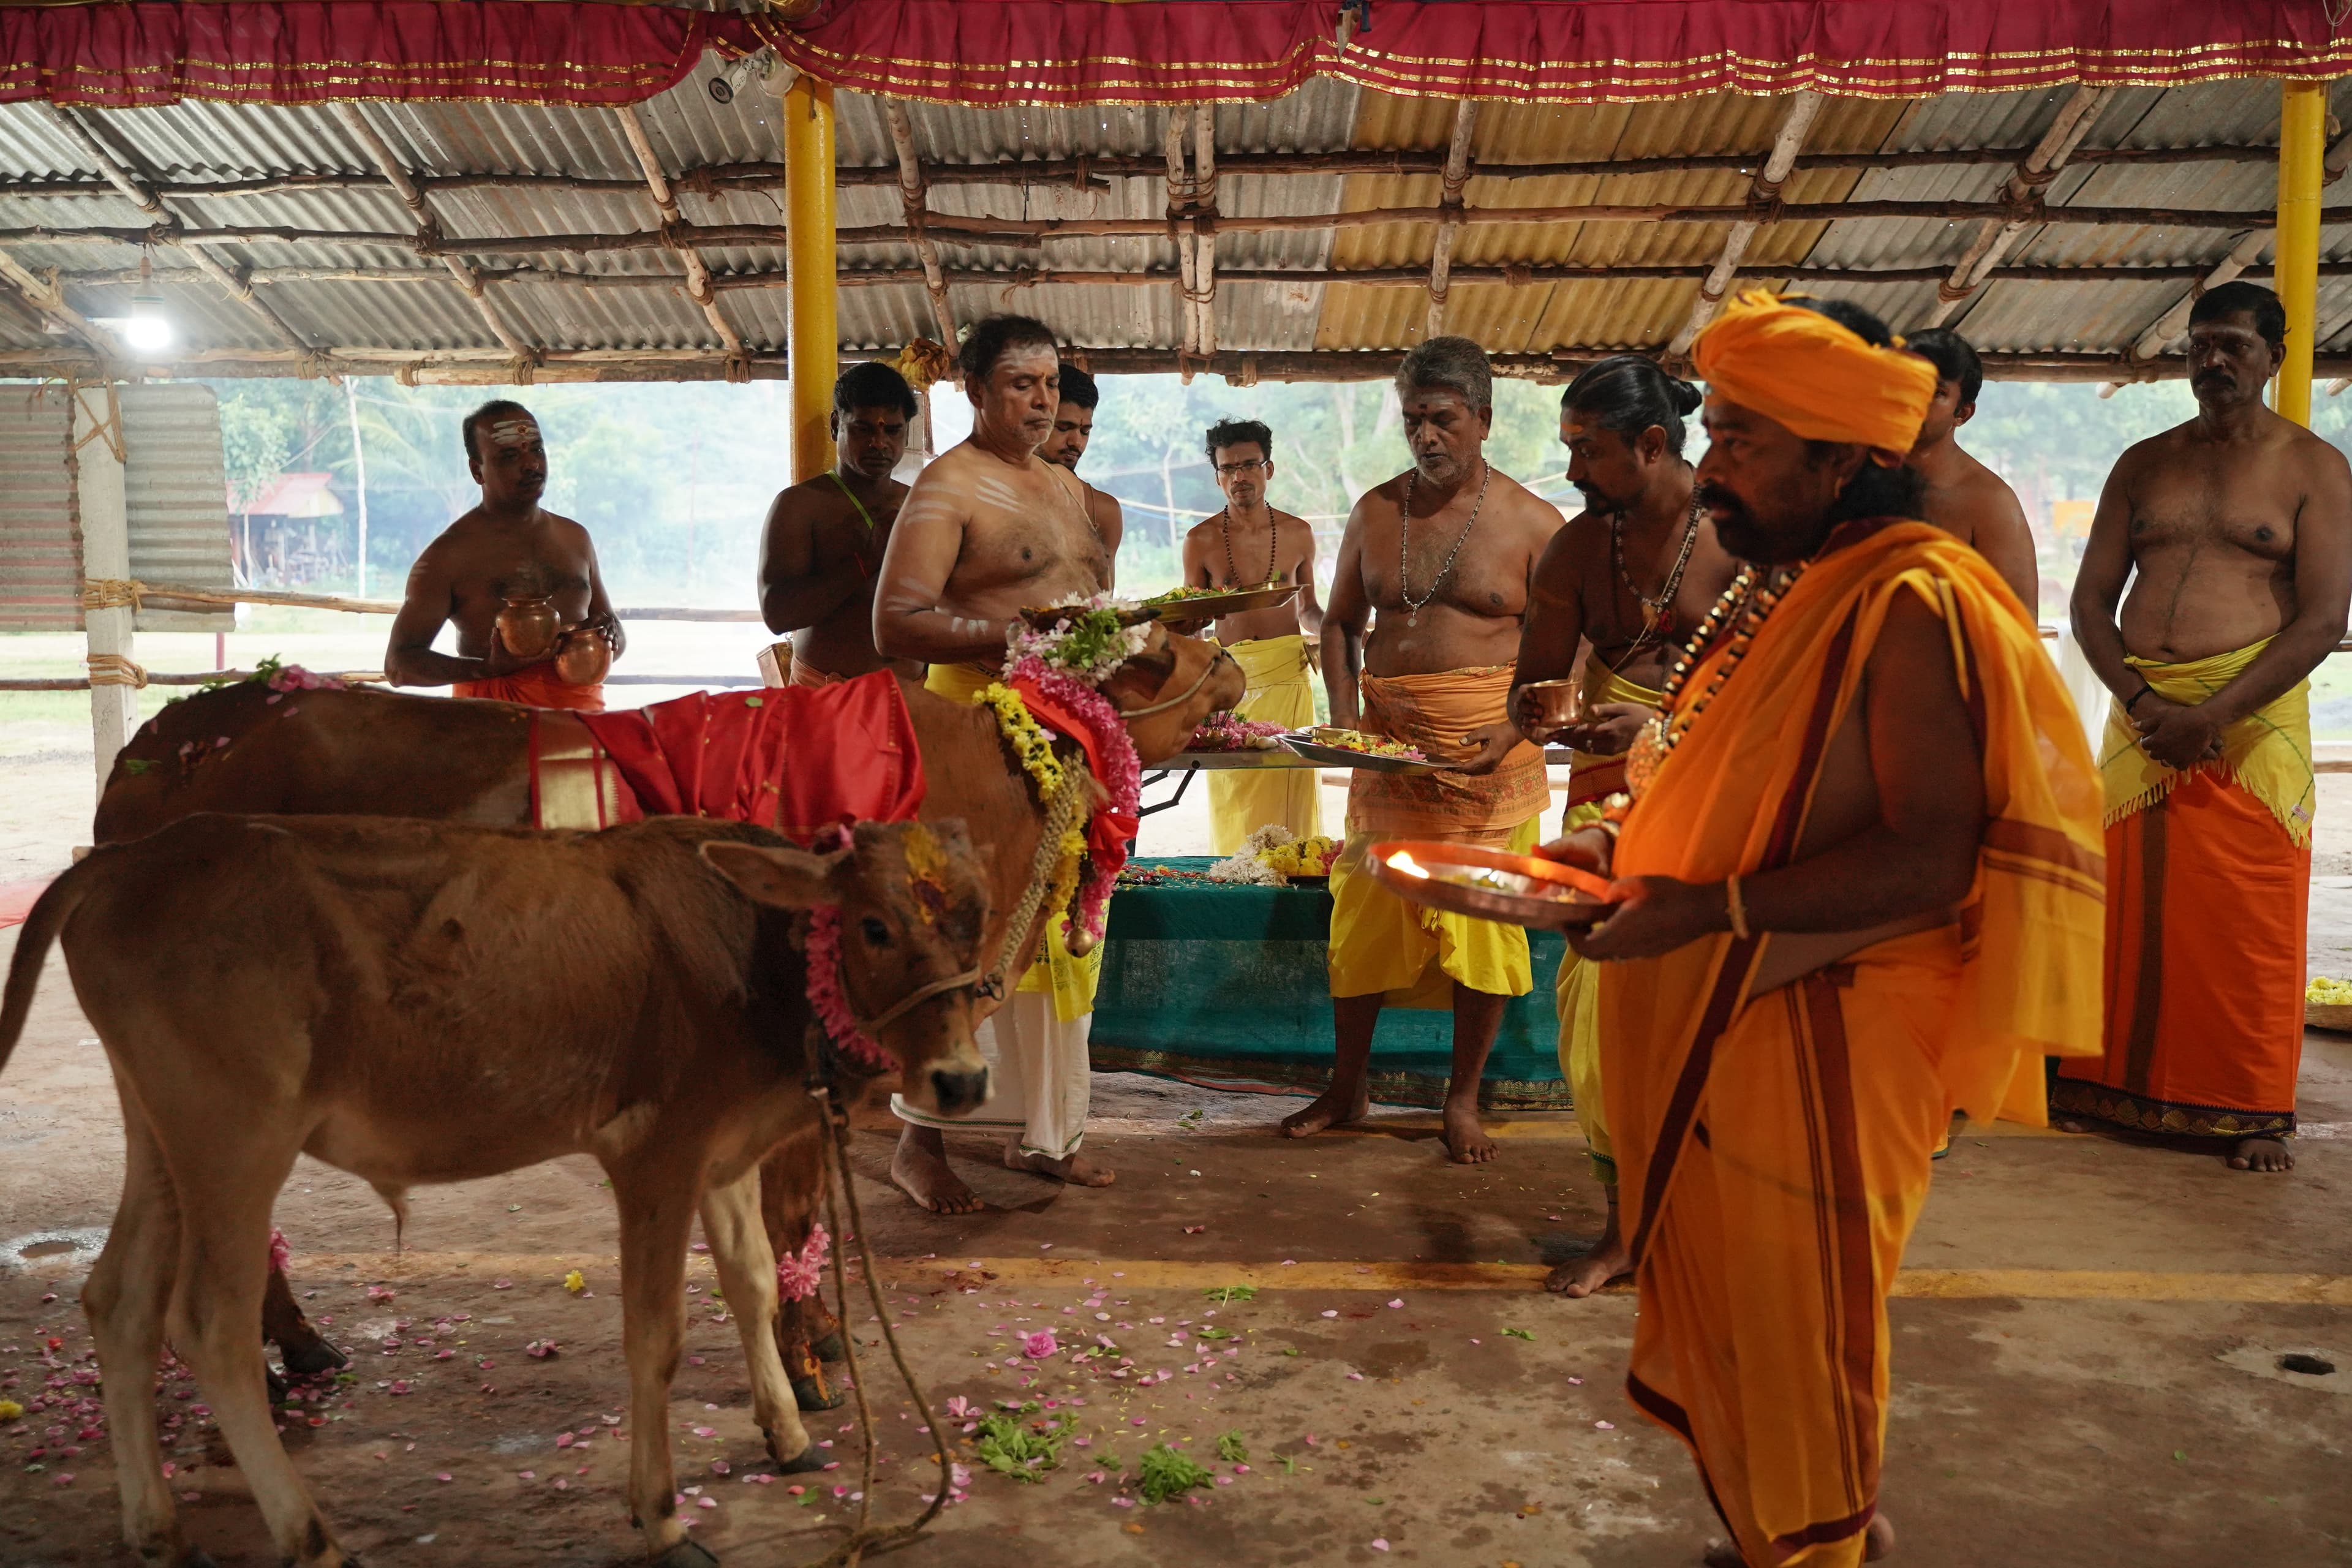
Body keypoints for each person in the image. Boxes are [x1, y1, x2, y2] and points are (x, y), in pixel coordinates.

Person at [1543, 290, 2102, 1568]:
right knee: (1753, 1325)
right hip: (1734, 1002)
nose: (1713, 467)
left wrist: (1706, 907)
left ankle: (1820, 1543)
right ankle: (1789, 1534)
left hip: (1828, 1022)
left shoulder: (1911, 598)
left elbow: (1927, 851)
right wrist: (1620, 845)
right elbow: (1727, 774)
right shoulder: (1791, 584)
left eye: (1741, 443)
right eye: (1717, 434)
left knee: (1805, 1336)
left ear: (1844, 460)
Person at [2055, 279, 2352, 1174]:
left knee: (2246, 919)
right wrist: (2147, 706)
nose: (2214, 361)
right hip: (2142, 716)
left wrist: (2214, 713)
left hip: (2248, 719)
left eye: (2233, 345)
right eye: (2201, 344)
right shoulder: (2143, 463)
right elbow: (2090, 603)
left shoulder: (2314, 469)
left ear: (2274, 356)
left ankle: (2249, 1110)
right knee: (2125, 910)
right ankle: (2102, 1084)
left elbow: (2323, 620)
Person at [1283, 336, 1561, 1164]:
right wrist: (1344, 729)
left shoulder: (1534, 523)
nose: (1426, 436)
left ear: (1483, 418)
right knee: (1362, 921)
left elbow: (1567, 657)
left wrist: (1514, 731)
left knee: (1482, 930)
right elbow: (1339, 622)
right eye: (1413, 421)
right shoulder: (1376, 511)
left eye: (1443, 420)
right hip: (1387, 751)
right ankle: (1348, 1086)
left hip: (1491, 758)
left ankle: (1463, 1099)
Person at [873, 314, 1117, 1212]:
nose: (1042, 399)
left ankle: (1046, 1136)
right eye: (1021, 384)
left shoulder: (1061, 484)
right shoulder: (949, 487)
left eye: (1050, 383)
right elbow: (895, 620)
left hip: (1071, 734)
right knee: (973, 940)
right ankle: (917, 1143)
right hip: (981, 732)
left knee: (1063, 943)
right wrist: (1016, 635)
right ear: (974, 393)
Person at [1507, 356, 1738, 1296]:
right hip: (1605, 798)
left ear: (1653, 444)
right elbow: (1533, 686)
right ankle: (1626, 1227)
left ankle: (1711, 1217)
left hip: (1721, 792)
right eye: (1567, 450)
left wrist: (1669, 726)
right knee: (1602, 1016)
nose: (1570, 473)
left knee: (1709, 1010)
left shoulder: (1737, 535)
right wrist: (1542, 716)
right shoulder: (1575, 548)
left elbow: (1782, 691)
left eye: (1588, 452)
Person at [385, 401, 621, 710]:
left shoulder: (576, 538)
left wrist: (609, 633)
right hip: (493, 734)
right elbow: (399, 665)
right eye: (510, 456)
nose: (531, 464)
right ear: (476, 470)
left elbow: (613, 632)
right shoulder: (448, 556)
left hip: (581, 723)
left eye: (536, 450)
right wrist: (486, 669)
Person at [1178, 417, 1327, 851]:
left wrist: (1342, 631)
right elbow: (1194, 623)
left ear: (1270, 469)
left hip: (1289, 679)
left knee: (1290, 793)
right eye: (1229, 468)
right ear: (1218, 476)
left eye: (1249, 465)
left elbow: (1311, 611)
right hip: (1231, 686)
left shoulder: (1299, 533)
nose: (1239, 477)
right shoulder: (1200, 540)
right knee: (1236, 797)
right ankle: (1237, 884)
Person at [756, 361, 925, 687]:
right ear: (837, 426)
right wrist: (867, 560)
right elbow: (777, 616)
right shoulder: (800, 506)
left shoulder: (919, 502)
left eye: (892, 430)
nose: (879, 443)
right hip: (825, 692)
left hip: (914, 695)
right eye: (864, 429)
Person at [1902, 328, 2040, 610]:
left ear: (1962, 413)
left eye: (1936, 392)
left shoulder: (1990, 503)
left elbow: (2018, 627)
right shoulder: (1844, 478)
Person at [1036, 364, 1125, 568]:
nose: (1076, 442)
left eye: (1085, 431)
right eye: (1064, 428)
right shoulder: (993, 495)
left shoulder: (1103, 511)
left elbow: (1104, 597)